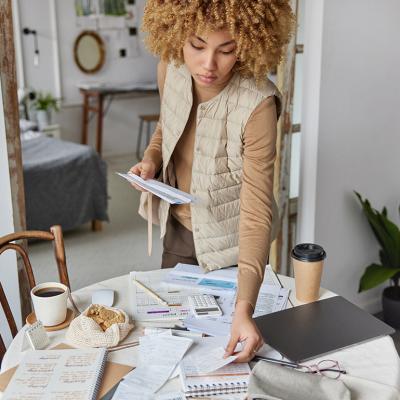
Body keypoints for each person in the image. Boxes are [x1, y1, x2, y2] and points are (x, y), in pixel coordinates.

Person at [129, 0, 294, 362]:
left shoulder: (258, 105)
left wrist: (244, 308)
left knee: (231, 348)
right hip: (179, 225)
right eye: (197, 45)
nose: (208, 65)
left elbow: (255, 211)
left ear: (248, 44)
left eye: (227, 50)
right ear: (176, 35)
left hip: (234, 242)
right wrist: (151, 160)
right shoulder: (169, 68)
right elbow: (166, 125)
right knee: (173, 340)